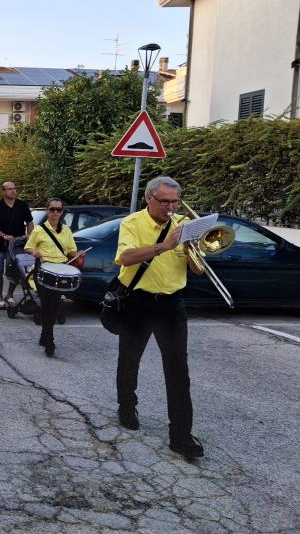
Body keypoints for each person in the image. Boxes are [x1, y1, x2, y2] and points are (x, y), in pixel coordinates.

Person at [115, 176, 204, 462]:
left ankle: (180, 436)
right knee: (129, 359)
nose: (170, 207)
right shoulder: (132, 223)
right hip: (138, 301)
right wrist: (163, 246)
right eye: (164, 201)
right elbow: (126, 258)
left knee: (179, 370)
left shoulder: (183, 226)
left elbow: (197, 270)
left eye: (174, 201)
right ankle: (127, 407)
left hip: (172, 304)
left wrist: (195, 251)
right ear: (149, 198)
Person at [25, 197, 83, 357]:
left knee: (53, 306)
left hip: (60, 272)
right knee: (48, 305)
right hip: (42, 271)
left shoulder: (67, 231)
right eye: (52, 209)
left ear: (62, 212)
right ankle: (49, 342)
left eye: (59, 210)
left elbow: (71, 250)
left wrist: (77, 255)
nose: (55, 212)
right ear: (47, 211)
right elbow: (28, 247)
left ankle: (45, 335)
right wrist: (34, 252)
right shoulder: (39, 230)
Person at [0, 181, 34, 309]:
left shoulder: (22, 205)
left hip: (17, 245)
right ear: (3, 191)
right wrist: (3, 235)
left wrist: (29, 236)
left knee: (15, 271)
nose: (13, 191)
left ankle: (10, 294)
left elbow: (30, 222)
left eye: (14, 188)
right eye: (9, 189)